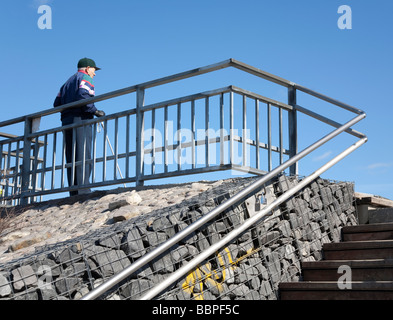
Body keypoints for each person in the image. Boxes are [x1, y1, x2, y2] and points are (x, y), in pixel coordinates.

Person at [54, 57, 105, 196]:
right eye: (94, 70)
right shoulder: (86, 78)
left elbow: (57, 103)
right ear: (88, 68)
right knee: (83, 153)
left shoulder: (67, 82)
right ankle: (84, 189)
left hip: (66, 121)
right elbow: (84, 96)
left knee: (70, 155)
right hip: (81, 119)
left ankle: (74, 190)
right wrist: (94, 110)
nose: (94, 74)